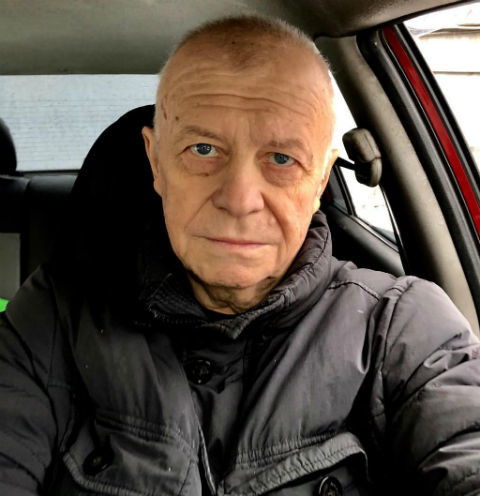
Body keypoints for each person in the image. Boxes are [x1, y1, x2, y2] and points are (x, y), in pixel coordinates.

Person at [1, 15, 480, 496]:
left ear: (320, 181)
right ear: (156, 162)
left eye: (282, 159)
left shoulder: (402, 327)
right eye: (203, 149)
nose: (239, 199)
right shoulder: (53, 318)